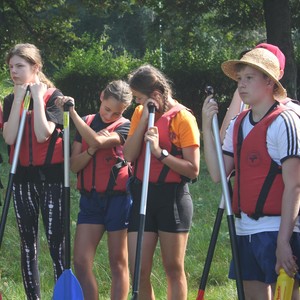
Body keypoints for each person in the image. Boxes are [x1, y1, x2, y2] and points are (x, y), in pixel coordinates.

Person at [202, 47, 300, 299]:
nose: (241, 85)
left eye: (249, 78)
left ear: (269, 81)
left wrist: (283, 242)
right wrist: (206, 126)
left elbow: (295, 186)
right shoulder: (238, 123)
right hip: (245, 229)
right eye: (239, 79)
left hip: (279, 229)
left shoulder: (286, 121)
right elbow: (217, 175)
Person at [123, 64, 200, 299]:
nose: (136, 102)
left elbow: (193, 169)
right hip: (144, 195)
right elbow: (128, 155)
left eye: (138, 97)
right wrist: (145, 117)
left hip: (173, 198)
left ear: (155, 95)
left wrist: (160, 153)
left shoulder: (183, 118)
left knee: (173, 268)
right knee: (139, 268)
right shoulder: (139, 113)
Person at [55, 80, 132, 300]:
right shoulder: (87, 121)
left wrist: (72, 113)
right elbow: (74, 166)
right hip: (91, 200)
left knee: (118, 261)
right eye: (107, 109)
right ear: (101, 97)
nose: (109, 116)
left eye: (116, 113)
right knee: (80, 260)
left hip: (118, 200)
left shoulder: (126, 125)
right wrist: (90, 152)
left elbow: (98, 139)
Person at [3, 43, 65, 300]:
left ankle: (61, 295)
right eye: (10, 67)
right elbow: (9, 137)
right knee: (27, 244)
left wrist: (37, 98)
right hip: (22, 179)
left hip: (51, 178)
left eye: (19, 66)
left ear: (35, 67)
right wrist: (18, 99)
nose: (14, 72)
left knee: (55, 243)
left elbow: (42, 134)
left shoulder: (55, 97)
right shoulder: (9, 99)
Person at [220, 43, 300, 141]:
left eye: (250, 77)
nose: (242, 83)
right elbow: (224, 139)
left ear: (277, 75)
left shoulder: (291, 112)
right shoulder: (244, 105)